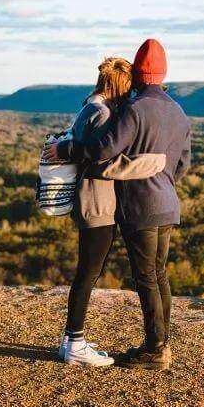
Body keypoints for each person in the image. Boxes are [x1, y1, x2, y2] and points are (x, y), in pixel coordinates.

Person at [44, 39, 191, 370]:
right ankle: (161, 345)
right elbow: (183, 164)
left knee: (147, 279)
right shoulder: (179, 112)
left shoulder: (135, 110)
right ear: (163, 73)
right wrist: (163, 181)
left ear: (139, 73)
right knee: (159, 275)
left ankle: (154, 351)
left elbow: (102, 150)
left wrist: (66, 150)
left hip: (140, 205)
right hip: (168, 202)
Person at [58, 57, 133, 367]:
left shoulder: (88, 107)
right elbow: (103, 159)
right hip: (97, 202)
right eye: (127, 88)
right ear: (116, 85)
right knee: (88, 273)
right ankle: (74, 343)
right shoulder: (102, 114)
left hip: (88, 200)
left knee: (87, 271)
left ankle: (72, 340)